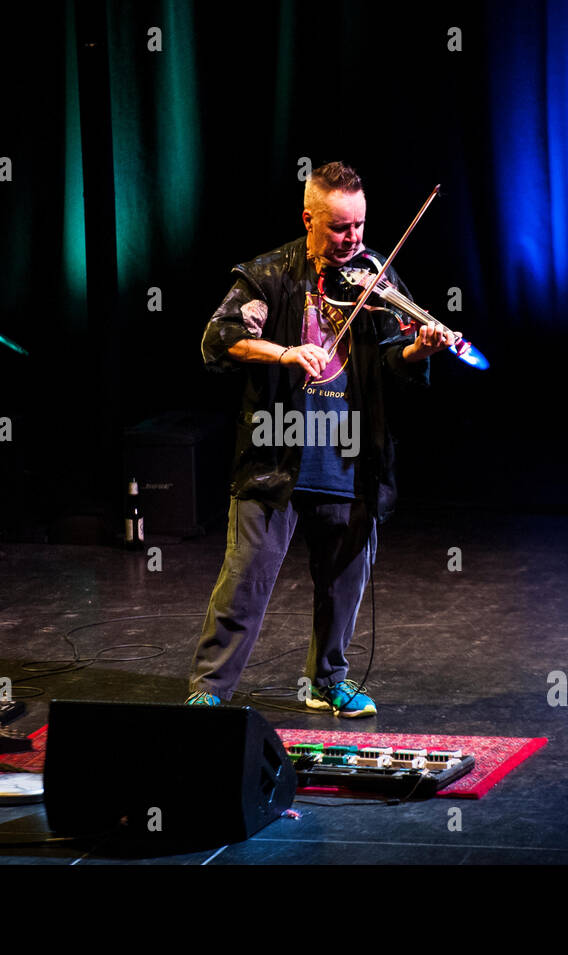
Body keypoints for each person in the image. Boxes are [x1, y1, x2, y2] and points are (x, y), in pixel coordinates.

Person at [186, 161, 455, 717]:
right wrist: (285, 352)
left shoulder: (375, 275)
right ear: (308, 218)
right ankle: (210, 688)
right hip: (276, 448)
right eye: (339, 228)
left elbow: (391, 361)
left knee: (343, 582)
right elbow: (220, 339)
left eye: (359, 226)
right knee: (246, 582)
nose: (353, 240)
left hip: (350, 451)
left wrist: (420, 349)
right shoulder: (270, 275)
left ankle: (327, 680)